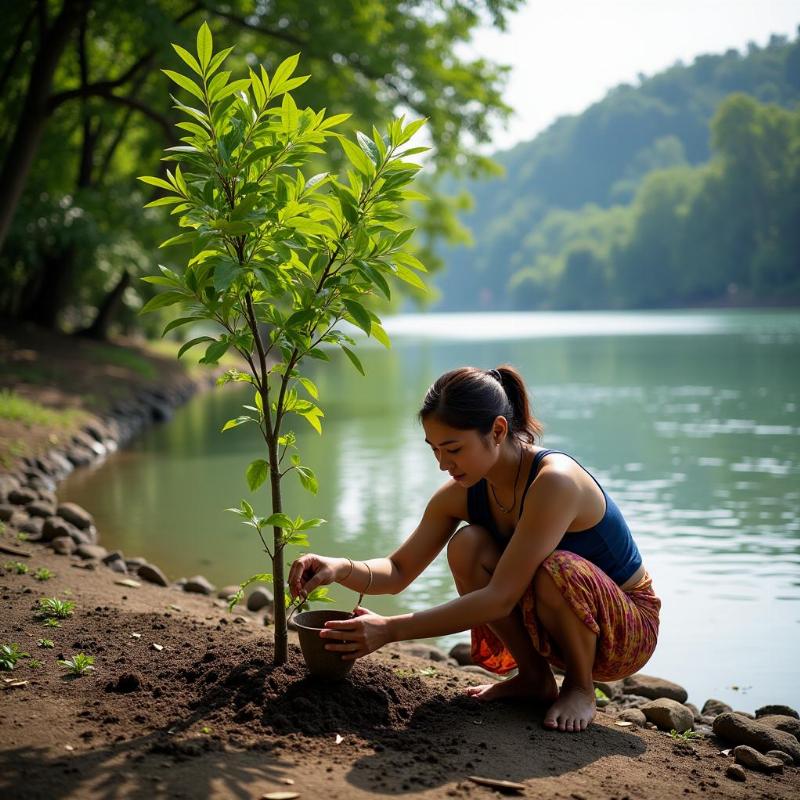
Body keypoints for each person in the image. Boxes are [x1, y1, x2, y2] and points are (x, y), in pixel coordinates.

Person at [288, 365, 660, 733]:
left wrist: (389, 629)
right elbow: (399, 570)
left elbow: (500, 598)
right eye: (435, 449)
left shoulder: (555, 482)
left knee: (557, 568)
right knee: (467, 546)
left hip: (625, 629)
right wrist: (338, 566)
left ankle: (580, 687)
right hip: (553, 618)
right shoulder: (462, 493)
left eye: (453, 449)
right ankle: (534, 678)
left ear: (497, 431)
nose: (442, 464)